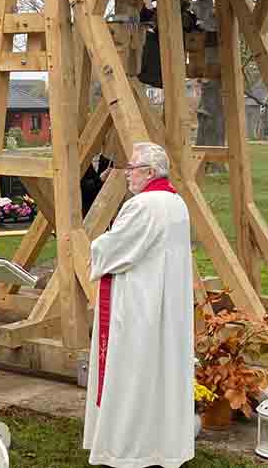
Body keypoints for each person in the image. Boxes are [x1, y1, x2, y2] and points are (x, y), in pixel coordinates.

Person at [83, 142, 195, 468]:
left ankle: (125, 448)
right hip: (168, 307)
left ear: (149, 172)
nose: (127, 173)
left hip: (137, 306)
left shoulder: (140, 206)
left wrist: (98, 243)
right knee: (160, 376)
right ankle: (164, 446)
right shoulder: (177, 203)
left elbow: (114, 249)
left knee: (131, 375)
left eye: (132, 168)